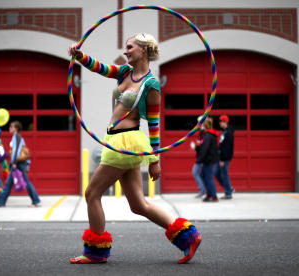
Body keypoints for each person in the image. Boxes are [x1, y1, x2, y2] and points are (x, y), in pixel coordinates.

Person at [67, 33, 201, 264]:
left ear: (144, 50)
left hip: (125, 143)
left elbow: (154, 124)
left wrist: (154, 160)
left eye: (130, 47)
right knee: (139, 204)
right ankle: (188, 237)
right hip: (118, 141)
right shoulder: (124, 72)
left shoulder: (151, 85)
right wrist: (80, 56)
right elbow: (99, 68)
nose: (126, 51)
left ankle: (96, 252)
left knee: (91, 193)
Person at [0, 121, 40, 207]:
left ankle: (35, 201)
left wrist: (14, 162)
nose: (10, 128)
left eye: (11, 127)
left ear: (16, 128)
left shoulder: (17, 136)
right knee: (9, 183)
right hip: (17, 163)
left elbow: (17, 150)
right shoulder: (15, 137)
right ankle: (0, 201)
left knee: (25, 183)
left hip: (18, 164)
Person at [196, 117, 219, 202]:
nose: (200, 125)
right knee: (203, 175)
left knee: (209, 177)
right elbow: (202, 147)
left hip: (209, 160)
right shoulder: (206, 134)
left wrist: (199, 160)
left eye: (201, 123)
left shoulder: (208, 135)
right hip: (207, 160)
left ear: (204, 124)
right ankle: (209, 194)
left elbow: (204, 149)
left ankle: (213, 196)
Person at [215, 115, 235, 199]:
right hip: (221, 157)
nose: (220, 123)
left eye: (221, 122)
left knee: (224, 174)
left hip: (224, 158)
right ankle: (229, 188)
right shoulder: (225, 132)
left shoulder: (228, 133)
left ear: (225, 122)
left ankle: (228, 193)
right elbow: (222, 145)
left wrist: (222, 159)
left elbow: (227, 147)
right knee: (217, 173)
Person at [190, 116, 206, 198]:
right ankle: (203, 190)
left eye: (199, 122)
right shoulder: (201, 132)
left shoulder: (204, 132)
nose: (198, 124)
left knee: (195, 172)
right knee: (202, 174)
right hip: (201, 157)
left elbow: (204, 146)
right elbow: (201, 146)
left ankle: (203, 190)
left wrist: (196, 147)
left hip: (202, 158)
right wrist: (196, 147)